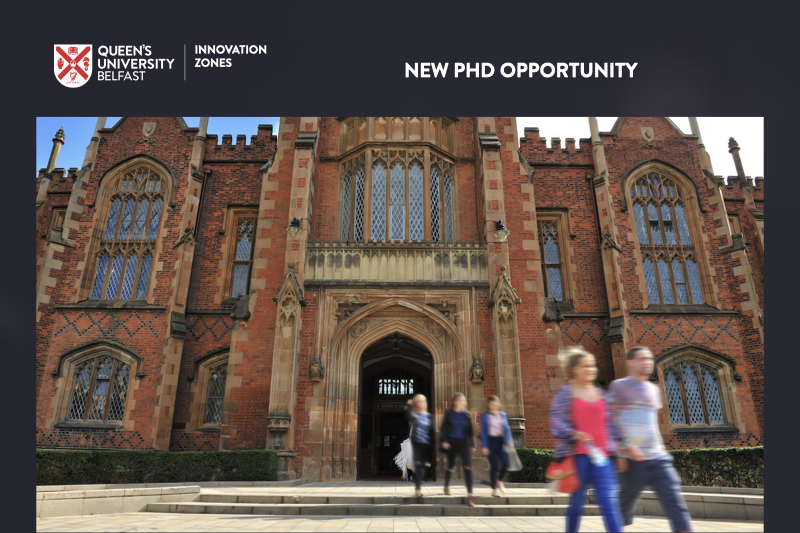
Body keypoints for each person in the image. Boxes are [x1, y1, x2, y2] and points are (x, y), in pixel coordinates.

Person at [609, 347, 693, 532]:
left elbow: (652, 423)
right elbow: (611, 420)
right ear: (630, 362)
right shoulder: (619, 386)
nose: (648, 362)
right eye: (642, 359)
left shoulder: (653, 389)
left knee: (674, 500)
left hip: (657, 458)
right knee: (623, 506)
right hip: (632, 460)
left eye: (649, 359)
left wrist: (662, 450)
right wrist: (623, 449)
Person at [550, 346, 624, 533]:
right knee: (576, 505)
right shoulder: (565, 393)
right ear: (574, 369)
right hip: (577, 458)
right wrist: (574, 432)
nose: (590, 369)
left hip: (602, 458)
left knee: (609, 502)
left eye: (592, 366)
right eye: (585, 366)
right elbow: (556, 421)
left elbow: (612, 427)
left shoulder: (602, 395)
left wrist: (621, 450)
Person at [439, 392, 477, 506]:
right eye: (459, 400)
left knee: (467, 467)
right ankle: (446, 486)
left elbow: (470, 431)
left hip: (464, 443)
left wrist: (473, 444)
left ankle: (470, 495)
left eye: (463, 400)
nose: (461, 402)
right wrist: (444, 441)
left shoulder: (466, 414)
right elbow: (443, 429)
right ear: (454, 402)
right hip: (452, 442)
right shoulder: (449, 413)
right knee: (451, 466)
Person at [480, 395, 514, 498]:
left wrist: (510, 441)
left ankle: (499, 480)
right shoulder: (485, 416)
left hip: (501, 442)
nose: (493, 406)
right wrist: (485, 446)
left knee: (506, 463)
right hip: (491, 442)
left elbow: (507, 429)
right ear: (488, 405)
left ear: (498, 405)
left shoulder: (502, 415)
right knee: (494, 466)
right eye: (491, 405)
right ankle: (494, 490)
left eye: (495, 404)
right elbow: (484, 432)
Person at [405, 393, 436, 498]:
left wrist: (433, 448)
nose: (421, 403)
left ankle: (418, 487)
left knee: (422, 467)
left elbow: (432, 433)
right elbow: (407, 416)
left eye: (423, 401)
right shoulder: (414, 414)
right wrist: (409, 406)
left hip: (426, 445)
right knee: (418, 465)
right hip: (417, 444)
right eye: (419, 401)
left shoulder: (429, 416)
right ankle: (418, 490)